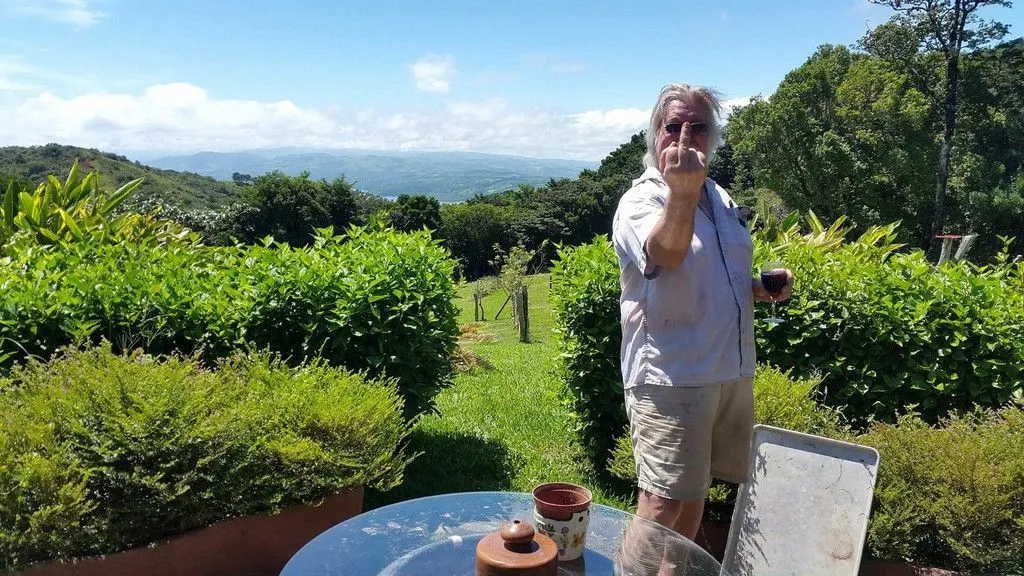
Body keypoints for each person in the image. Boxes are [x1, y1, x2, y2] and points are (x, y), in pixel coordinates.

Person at [611, 83, 794, 542]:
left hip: (728, 372)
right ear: (655, 134)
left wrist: (757, 289)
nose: (684, 136)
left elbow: (712, 276)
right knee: (661, 504)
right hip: (672, 377)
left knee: (695, 496)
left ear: (712, 138)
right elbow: (665, 255)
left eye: (698, 127)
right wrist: (682, 193)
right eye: (673, 125)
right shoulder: (642, 200)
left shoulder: (720, 197)